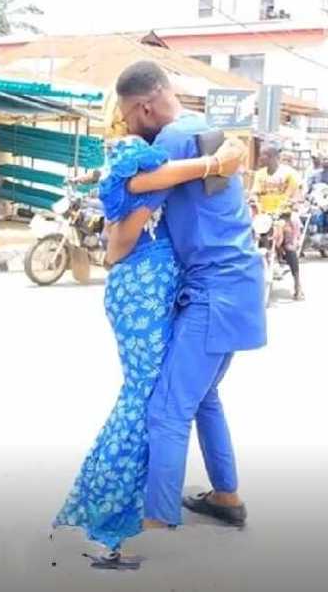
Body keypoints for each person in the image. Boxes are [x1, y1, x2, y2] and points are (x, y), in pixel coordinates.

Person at [53, 133, 247, 568]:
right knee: (148, 399)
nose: (160, 169)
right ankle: (116, 508)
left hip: (142, 294)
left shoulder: (133, 182)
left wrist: (215, 162)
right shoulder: (136, 183)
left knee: (159, 396)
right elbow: (127, 223)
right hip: (140, 294)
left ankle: (121, 498)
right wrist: (213, 163)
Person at [115, 60, 266, 535]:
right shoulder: (206, 129)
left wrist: (113, 249)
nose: (127, 125)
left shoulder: (172, 140)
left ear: (144, 106)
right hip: (237, 285)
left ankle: (157, 518)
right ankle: (226, 496)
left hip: (213, 292)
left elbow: (135, 206)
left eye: (126, 116)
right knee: (204, 398)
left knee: (168, 408)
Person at [252, 143, 302, 212]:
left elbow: (296, 195)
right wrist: (255, 202)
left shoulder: (289, 174)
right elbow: (255, 193)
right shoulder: (259, 174)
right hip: (262, 213)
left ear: (272, 157)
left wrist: (291, 205)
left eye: (262, 155)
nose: (260, 158)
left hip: (283, 214)